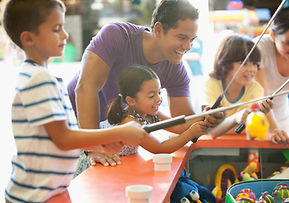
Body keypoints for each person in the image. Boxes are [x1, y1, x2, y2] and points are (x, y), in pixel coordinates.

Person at [2, 1, 147, 202]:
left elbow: (54, 138)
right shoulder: (38, 79)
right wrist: (119, 132)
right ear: (28, 38)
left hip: (49, 190)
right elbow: (63, 138)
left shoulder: (40, 77)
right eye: (56, 29)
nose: (65, 35)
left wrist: (100, 145)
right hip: (34, 195)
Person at [67, 0, 222, 166]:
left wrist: (206, 117)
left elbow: (180, 121)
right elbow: (86, 86)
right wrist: (93, 147)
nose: (188, 46)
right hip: (74, 129)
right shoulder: (117, 35)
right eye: (182, 37)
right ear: (158, 29)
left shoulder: (176, 67)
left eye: (192, 39)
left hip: (115, 146)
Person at [74, 65, 223, 176]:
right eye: (152, 96)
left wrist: (203, 116)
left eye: (159, 92)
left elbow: (177, 126)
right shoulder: (130, 123)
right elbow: (160, 148)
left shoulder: (149, 112)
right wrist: (191, 133)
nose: (159, 99)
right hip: (93, 165)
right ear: (131, 100)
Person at [255, 8, 289, 178]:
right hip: (257, 120)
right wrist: (275, 129)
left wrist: (280, 128)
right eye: (288, 43)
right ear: (272, 35)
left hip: (285, 119)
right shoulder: (259, 48)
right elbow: (261, 98)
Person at [202, 34, 274, 137]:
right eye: (244, 63)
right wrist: (236, 117)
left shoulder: (255, 89)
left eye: (254, 63)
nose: (252, 69)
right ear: (226, 63)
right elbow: (210, 131)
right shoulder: (211, 85)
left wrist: (261, 116)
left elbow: (253, 131)